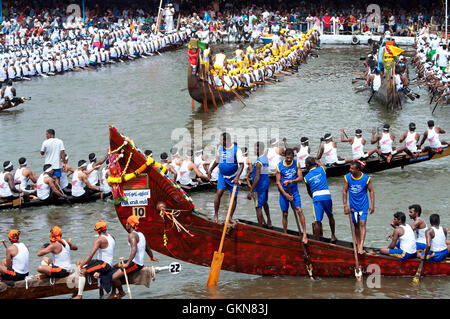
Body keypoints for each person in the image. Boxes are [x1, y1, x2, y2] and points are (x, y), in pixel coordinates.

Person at [109, 215, 153, 299]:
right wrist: (151, 257)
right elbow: (147, 248)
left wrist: (127, 263)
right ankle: (113, 292)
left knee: (113, 277)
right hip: (134, 261)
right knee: (113, 267)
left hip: (136, 264)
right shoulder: (141, 234)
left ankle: (121, 293)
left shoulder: (132, 235)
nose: (125, 225)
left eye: (126, 223)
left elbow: (134, 250)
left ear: (129, 224)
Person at [73, 220, 116, 299]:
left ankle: (79, 295)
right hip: (102, 263)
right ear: (105, 229)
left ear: (97, 231)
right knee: (79, 262)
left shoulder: (99, 240)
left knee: (82, 271)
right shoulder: (111, 237)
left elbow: (90, 256)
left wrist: (80, 267)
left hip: (104, 265)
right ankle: (101, 292)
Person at [208, 132, 244, 223]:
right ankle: (215, 215)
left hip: (233, 177)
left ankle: (230, 217)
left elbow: (241, 165)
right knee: (219, 193)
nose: (220, 142)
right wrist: (210, 169)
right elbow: (217, 160)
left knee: (234, 197)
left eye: (221, 141)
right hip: (222, 176)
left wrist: (237, 177)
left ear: (227, 140)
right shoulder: (220, 148)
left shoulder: (236, 150)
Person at [343, 160, 375, 255]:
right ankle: (358, 244)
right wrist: (345, 205)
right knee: (356, 225)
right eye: (350, 168)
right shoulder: (347, 177)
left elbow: (371, 191)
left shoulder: (366, 178)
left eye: (352, 169)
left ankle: (361, 246)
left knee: (362, 224)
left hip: (363, 205)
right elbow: (344, 191)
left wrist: (372, 205)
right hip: (353, 206)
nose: (350, 170)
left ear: (357, 169)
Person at [276, 148, 307, 243]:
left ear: (293, 156)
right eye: (287, 158)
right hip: (283, 193)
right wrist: (286, 195)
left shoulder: (296, 163)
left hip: (294, 191)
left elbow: (300, 177)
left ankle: (304, 234)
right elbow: (278, 182)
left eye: (291, 158)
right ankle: (285, 233)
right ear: (284, 156)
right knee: (285, 213)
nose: (289, 159)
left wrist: (291, 181)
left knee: (299, 210)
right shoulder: (280, 166)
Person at [303, 157, 337, 242]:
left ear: (307, 165)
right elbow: (322, 165)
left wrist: (313, 198)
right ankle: (333, 236)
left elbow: (309, 191)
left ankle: (317, 240)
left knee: (317, 221)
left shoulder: (306, 177)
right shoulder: (322, 169)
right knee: (330, 216)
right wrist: (317, 161)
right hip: (326, 195)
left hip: (317, 197)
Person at [247, 141, 272, 228]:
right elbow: (263, 172)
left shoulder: (258, 162)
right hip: (265, 184)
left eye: (255, 148)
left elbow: (257, 178)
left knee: (258, 207)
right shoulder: (265, 158)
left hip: (259, 186)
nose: (254, 150)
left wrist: (251, 190)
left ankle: (260, 227)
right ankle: (268, 221)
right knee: (265, 202)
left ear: (259, 149)